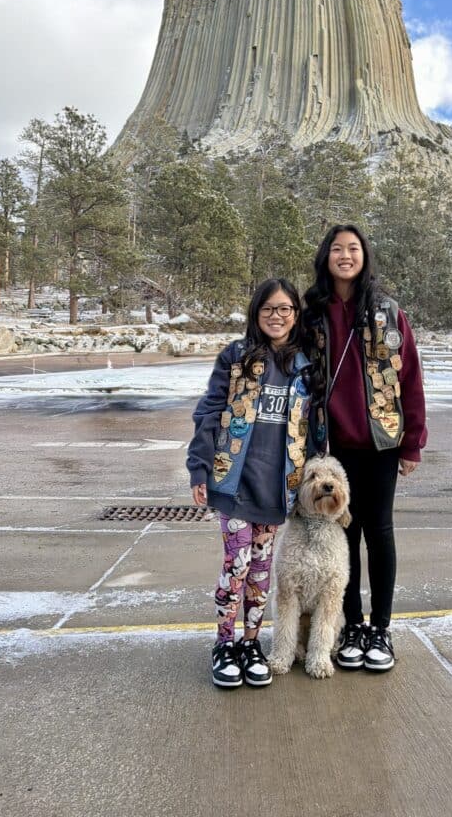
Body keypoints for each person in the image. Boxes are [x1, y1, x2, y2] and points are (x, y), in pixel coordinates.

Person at [303, 224, 426, 672]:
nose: (345, 255)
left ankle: (381, 629)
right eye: (337, 248)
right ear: (326, 257)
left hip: (381, 443)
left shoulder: (388, 313)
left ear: (364, 256)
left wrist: (413, 443)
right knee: (344, 535)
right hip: (332, 446)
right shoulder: (313, 314)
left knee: (379, 531)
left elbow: (409, 377)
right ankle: (352, 625)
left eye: (353, 248)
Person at [187, 278, 311, 689]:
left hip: (276, 489)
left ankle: (251, 644)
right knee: (236, 565)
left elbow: (314, 427)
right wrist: (199, 466)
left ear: (295, 314)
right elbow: (210, 411)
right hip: (234, 484)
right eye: (268, 309)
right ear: (256, 314)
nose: (277, 316)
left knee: (260, 571)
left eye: (285, 309)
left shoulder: (304, 366)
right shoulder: (236, 356)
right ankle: (224, 644)